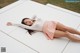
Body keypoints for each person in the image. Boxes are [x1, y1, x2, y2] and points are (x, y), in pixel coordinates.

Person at [6, 16, 80, 42]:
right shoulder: (31, 26)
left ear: (29, 18)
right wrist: (13, 23)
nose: (28, 22)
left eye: (27, 20)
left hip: (52, 23)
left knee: (65, 28)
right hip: (48, 30)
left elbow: (34, 14)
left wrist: (30, 19)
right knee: (66, 34)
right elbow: (22, 25)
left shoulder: (35, 19)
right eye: (26, 23)